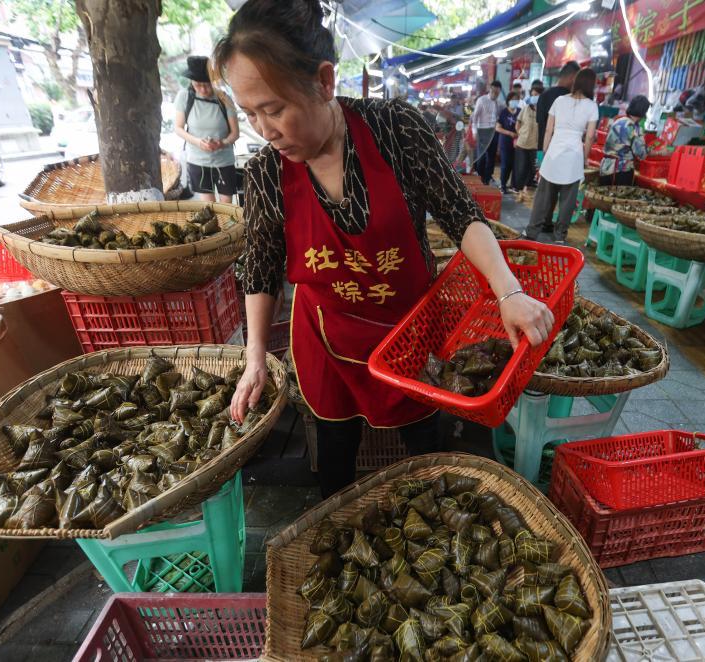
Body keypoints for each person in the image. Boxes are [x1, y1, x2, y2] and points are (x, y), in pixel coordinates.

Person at [216, 0, 555, 498]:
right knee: (334, 449)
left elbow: (461, 215)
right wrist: (254, 356)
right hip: (327, 340)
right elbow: (262, 267)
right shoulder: (266, 172)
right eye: (249, 114)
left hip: (409, 330)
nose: (264, 130)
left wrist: (509, 291)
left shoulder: (396, 129)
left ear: (325, 81)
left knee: (425, 441)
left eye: (274, 109)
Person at [522, 68, 598, 245]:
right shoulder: (591, 106)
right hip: (574, 155)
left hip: (554, 152)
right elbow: (589, 137)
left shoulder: (559, 100)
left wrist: (544, 154)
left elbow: (548, 130)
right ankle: (560, 236)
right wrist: (584, 158)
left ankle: (532, 230)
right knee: (568, 200)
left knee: (543, 196)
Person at [173, 55, 240, 202]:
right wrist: (198, 142)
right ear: (191, 81)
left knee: (226, 205)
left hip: (224, 160)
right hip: (198, 160)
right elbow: (178, 128)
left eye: (207, 84)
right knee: (208, 206)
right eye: (198, 85)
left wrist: (222, 143)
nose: (203, 89)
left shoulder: (224, 98)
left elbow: (235, 133)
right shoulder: (184, 97)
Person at [535, 62, 580, 233]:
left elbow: (542, 126)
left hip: (546, 149)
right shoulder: (572, 98)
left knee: (545, 189)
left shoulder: (544, 96)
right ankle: (558, 230)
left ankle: (541, 223)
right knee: (565, 191)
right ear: (571, 77)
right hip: (566, 151)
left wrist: (541, 152)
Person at [600, 95, 650, 186]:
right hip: (621, 171)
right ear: (643, 112)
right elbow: (641, 154)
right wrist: (659, 152)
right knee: (618, 199)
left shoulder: (618, 121)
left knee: (604, 197)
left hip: (605, 168)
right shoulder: (634, 128)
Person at [512, 84, 540, 202]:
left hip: (535, 145)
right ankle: (518, 191)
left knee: (532, 169)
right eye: (532, 95)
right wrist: (520, 134)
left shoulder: (543, 111)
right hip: (522, 143)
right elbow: (517, 124)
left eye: (537, 95)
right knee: (521, 168)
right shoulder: (525, 109)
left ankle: (525, 189)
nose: (534, 97)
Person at [471, 80, 501, 186]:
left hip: (493, 131)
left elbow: (496, 117)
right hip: (482, 131)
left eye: (498, 92)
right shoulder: (482, 100)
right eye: (494, 91)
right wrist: (475, 132)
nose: (495, 94)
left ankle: (487, 178)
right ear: (490, 89)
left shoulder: (497, 102)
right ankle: (480, 177)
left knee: (491, 157)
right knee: (482, 156)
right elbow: (474, 117)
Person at [495, 92, 520, 195]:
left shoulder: (520, 111)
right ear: (509, 100)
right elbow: (498, 128)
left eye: (517, 99)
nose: (515, 101)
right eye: (513, 99)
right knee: (505, 164)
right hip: (505, 141)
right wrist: (509, 133)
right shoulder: (504, 112)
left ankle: (513, 185)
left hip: (517, 142)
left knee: (514, 164)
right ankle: (503, 185)